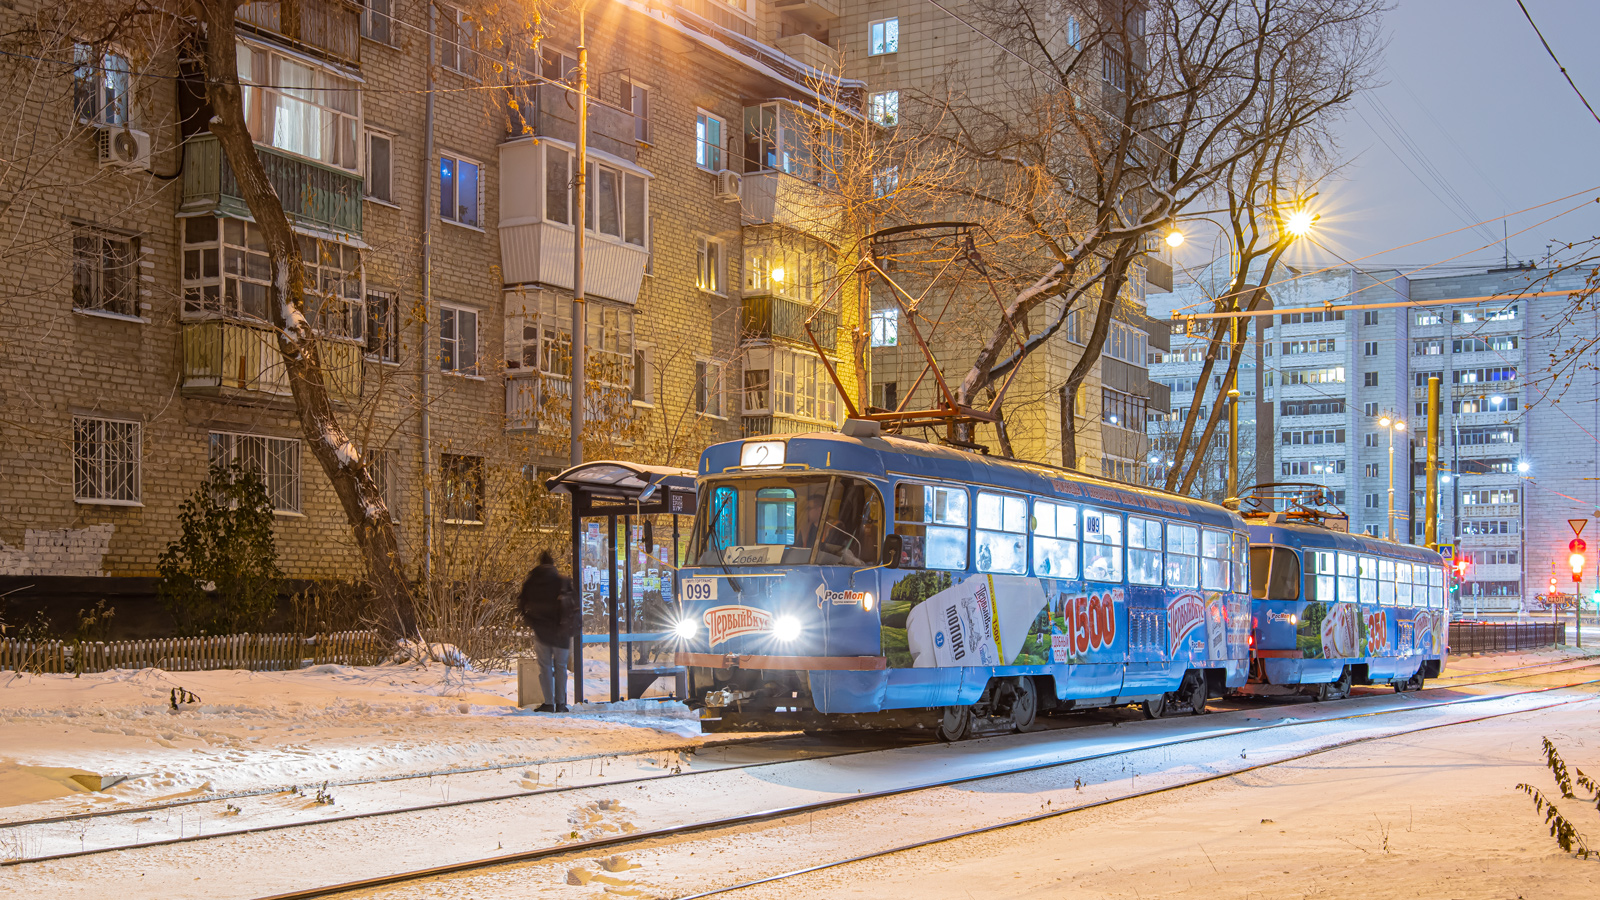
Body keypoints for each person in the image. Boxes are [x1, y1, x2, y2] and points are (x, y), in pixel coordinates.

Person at [519, 550, 579, 712]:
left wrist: (532, 622)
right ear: (553, 565)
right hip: (562, 633)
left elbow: (521, 605)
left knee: (545, 667)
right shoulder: (563, 582)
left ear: (539, 564)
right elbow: (575, 606)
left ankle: (548, 703)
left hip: (541, 632)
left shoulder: (531, 582)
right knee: (560, 667)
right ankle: (561, 704)